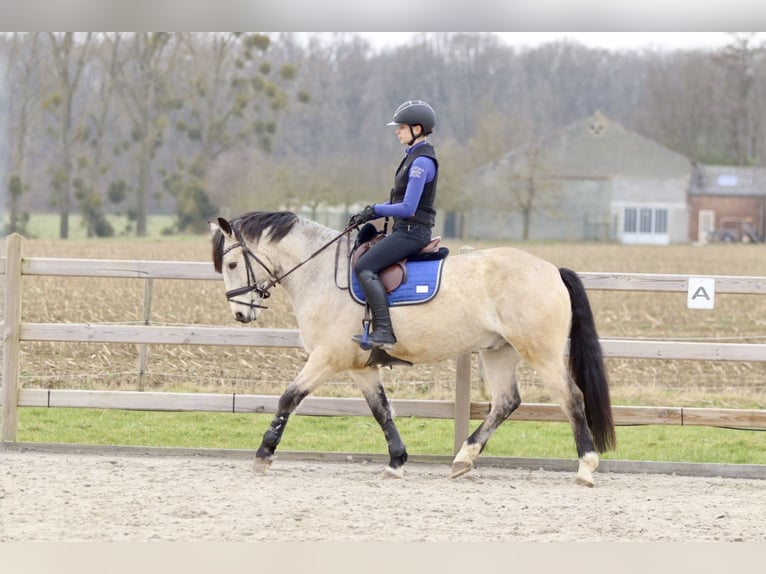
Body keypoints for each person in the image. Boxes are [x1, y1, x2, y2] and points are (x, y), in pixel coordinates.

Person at [348, 99, 439, 349]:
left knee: (365, 266)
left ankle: (385, 331)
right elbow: (398, 200)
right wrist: (368, 212)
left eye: (401, 127)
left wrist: (375, 210)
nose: (396, 131)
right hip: (405, 229)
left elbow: (408, 208)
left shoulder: (421, 162)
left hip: (412, 232)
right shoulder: (412, 157)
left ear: (417, 129)